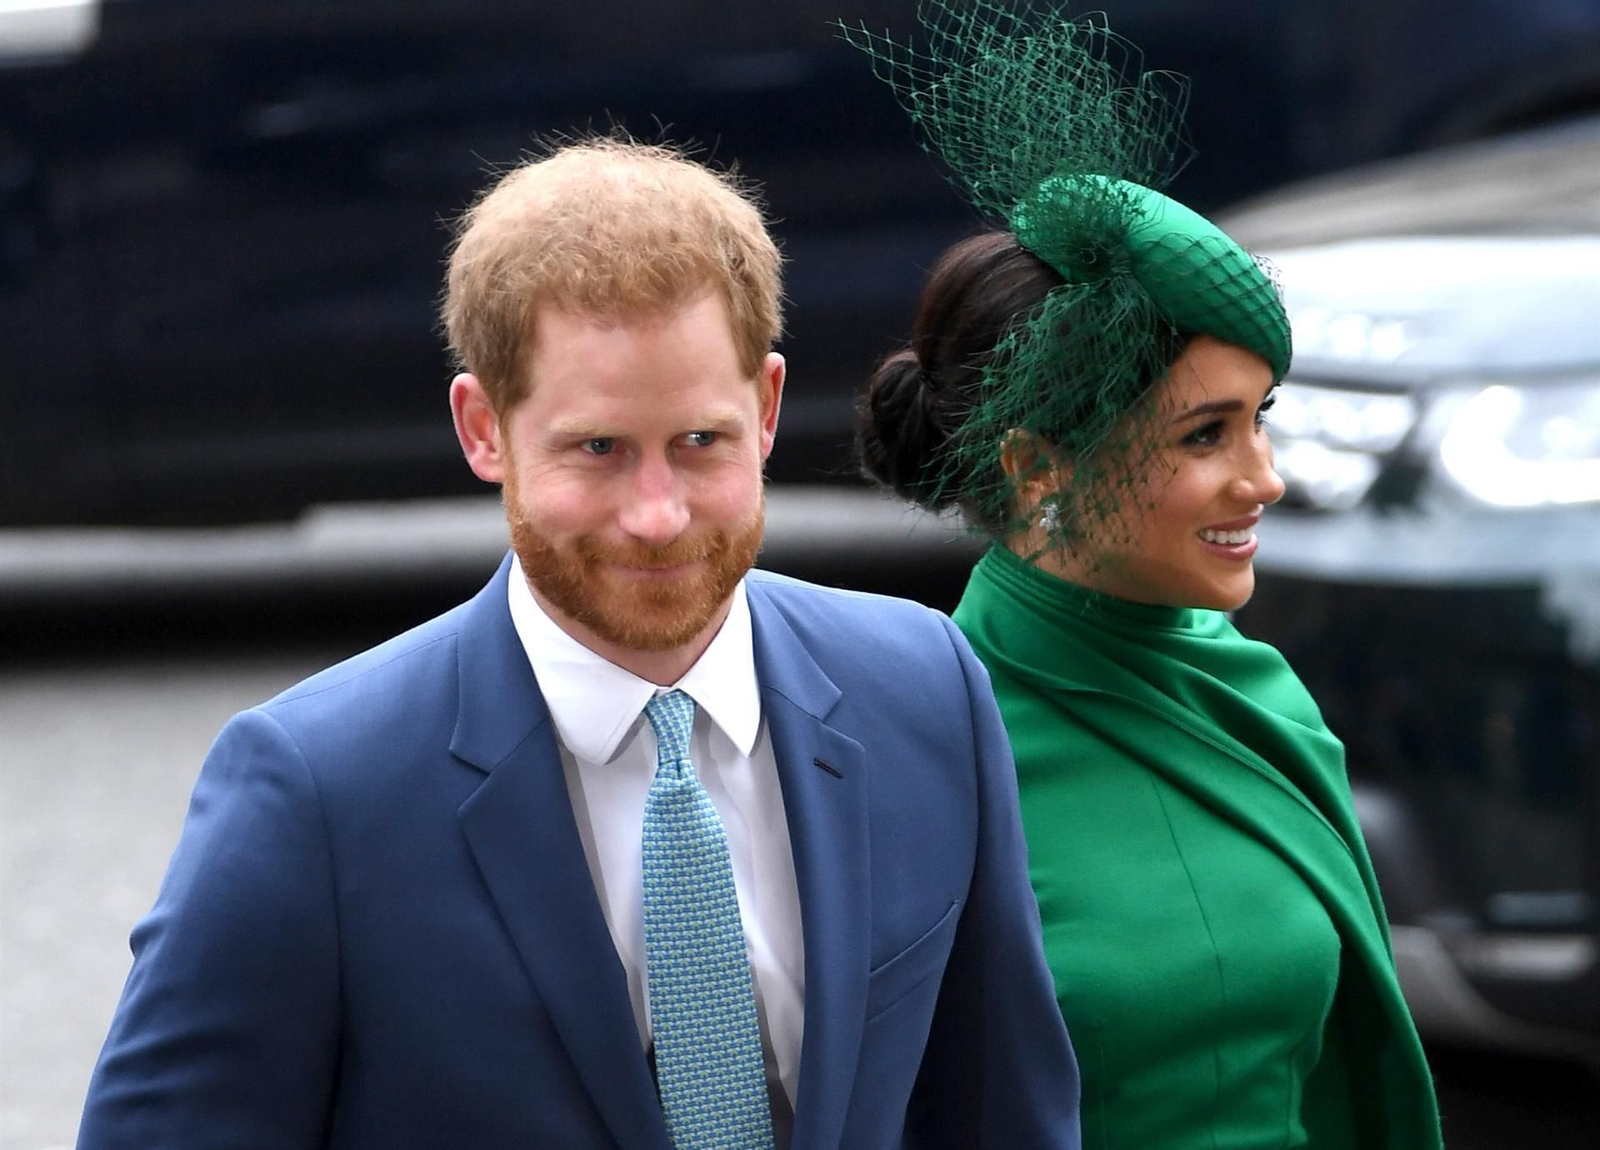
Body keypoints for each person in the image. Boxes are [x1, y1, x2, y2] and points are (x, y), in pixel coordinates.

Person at [75, 139, 1080, 1149]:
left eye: (701, 442)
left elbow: (1003, 1111)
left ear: (767, 408)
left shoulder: (923, 691)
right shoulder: (314, 794)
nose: (657, 514)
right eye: (597, 449)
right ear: (483, 429)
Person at [844, 3, 1443, 1148]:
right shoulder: (921, 746)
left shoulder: (1252, 687)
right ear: (1033, 467)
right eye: (1203, 435)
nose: (1263, 479)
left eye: (1260, 419)